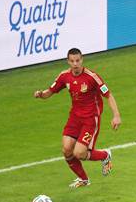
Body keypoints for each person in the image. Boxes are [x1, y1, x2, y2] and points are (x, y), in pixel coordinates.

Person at [33, 48, 121, 188]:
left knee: (79, 153)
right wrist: (40, 94)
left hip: (90, 119)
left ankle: (105, 155)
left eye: (78, 60)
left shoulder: (92, 77)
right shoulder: (64, 76)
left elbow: (108, 95)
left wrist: (116, 116)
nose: (75, 64)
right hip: (74, 117)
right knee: (66, 149)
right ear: (68, 61)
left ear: (82, 60)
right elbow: (50, 91)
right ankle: (84, 179)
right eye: (72, 61)